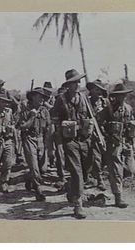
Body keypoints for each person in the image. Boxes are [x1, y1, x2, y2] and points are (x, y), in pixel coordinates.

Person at [53, 69, 94, 219]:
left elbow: (91, 117)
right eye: (74, 82)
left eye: (78, 81)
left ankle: (71, 186)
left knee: (85, 170)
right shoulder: (61, 99)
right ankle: (78, 204)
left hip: (84, 138)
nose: (77, 84)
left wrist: (91, 131)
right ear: (68, 85)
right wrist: (62, 127)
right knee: (77, 172)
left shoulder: (84, 98)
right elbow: (54, 117)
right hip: (69, 140)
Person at [98, 82, 135, 208]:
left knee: (130, 169)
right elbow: (98, 123)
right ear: (115, 96)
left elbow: (131, 126)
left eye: (124, 95)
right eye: (120, 95)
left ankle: (115, 179)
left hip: (126, 142)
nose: (122, 97)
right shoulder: (108, 109)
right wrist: (103, 137)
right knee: (116, 170)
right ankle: (118, 197)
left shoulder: (128, 108)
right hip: (113, 144)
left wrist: (133, 142)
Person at [17, 88, 51, 201]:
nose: (42, 99)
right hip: (29, 139)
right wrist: (32, 116)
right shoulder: (25, 111)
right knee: (34, 167)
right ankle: (38, 190)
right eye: (39, 96)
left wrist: (48, 144)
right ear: (32, 97)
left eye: (43, 97)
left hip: (41, 139)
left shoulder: (45, 111)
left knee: (43, 169)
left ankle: (29, 178)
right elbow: (22, 127)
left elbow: (48, 127)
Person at [85, 79, 108, 191]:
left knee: (102, 157)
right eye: (95, 89)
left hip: (103, 133)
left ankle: (95, 177)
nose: (98, 91)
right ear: (91, 90)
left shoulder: (105, 102)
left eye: (100, 89)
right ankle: (98, 179)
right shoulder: (86, 103)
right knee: (92, 157)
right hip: (89, 133)